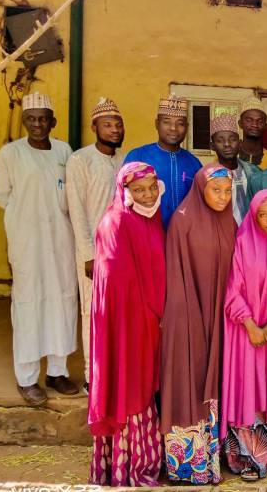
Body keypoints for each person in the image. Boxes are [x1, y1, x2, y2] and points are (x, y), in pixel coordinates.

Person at [0, 91, 79, 405]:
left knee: (62, 302)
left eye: (43, 118)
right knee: (29, 305)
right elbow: (1, 195)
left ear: (53, 121)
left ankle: (57, 372)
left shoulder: (63, 151)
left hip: (61, 242)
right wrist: (29, 219)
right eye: (31, 119)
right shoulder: (10, 154)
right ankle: (27, 378)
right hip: (28, 242)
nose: (38, 124)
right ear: (25, 122)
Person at [87, 162, 165, 487]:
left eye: (150, 188)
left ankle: (144, 464)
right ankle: (130, 468)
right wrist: (148, 317)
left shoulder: (150, 218)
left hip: (150, 323)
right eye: (138, 190)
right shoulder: (116, 222)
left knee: (143, 390)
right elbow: (117, 287)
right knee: (129, 387)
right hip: (128, 330)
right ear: (125, 191)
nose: (147, 196)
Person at [160, 164, 237, 485]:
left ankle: (214, 458)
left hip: (222, 316)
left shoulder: (230, 222)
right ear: (201, 189)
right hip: (190, 316)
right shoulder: (183, 220)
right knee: (189, 379)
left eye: (227, 191)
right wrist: (186, 319)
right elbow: (176, 275)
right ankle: (187, 466)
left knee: (217, 379)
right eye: (215, 190)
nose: (222, 196)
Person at [221, 190, 267, 481]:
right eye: (263, 214)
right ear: (253, 216)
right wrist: (250, 325)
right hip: (245, 332)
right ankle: (245, 457)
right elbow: (231, 290)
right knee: (246, 386)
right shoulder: (241, 242)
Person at [66, 97, 125, 393]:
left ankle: (113, 373)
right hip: (94, 253)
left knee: (117, 314)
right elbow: (76, 210)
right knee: (92, 313)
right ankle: (93, 377)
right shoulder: (81, 160)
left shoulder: (124, 160)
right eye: (107, 124)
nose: (114, 130)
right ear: (94, 127)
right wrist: (89, 254)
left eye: (117, 124)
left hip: (121, 252)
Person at [124, 94, 202, 229]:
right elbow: (122, 201)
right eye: (167, 121)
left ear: (187, 127)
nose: (173, 128)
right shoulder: (138, 156)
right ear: (156, 124)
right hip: (145, 238)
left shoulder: (194, 163)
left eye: (180, 123)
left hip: (182, 241)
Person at [208, 113, 259, 225]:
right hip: (223, 235)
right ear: (212, 146)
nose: (227, 144)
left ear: (240, 143)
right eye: (220, 140)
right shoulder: (207, 177)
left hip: (250, 235)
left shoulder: (254, 172)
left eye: (232, 139)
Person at [238, 96, 267, 169]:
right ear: (240, 123)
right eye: (249, 120)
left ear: (266, 126)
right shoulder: (228, 155)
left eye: (260, 121)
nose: (254, 125)